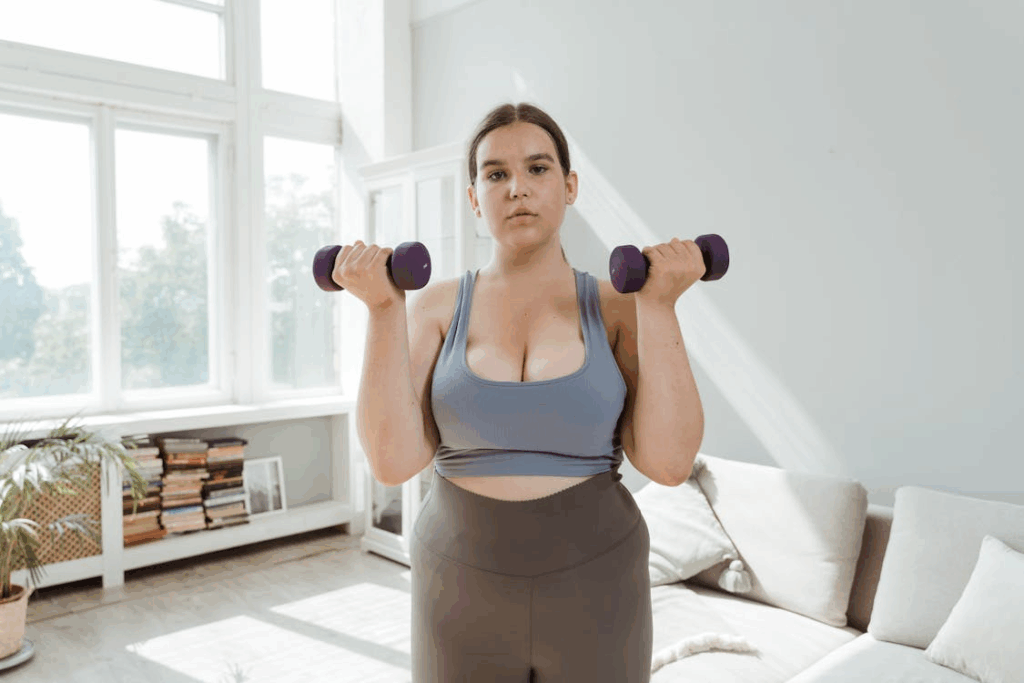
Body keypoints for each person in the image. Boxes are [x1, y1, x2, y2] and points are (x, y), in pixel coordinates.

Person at [409, 102, 653, 682]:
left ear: (569, 187)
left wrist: (661, 304)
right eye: (495, 174)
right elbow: (392, 459)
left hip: (599, 578)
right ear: (475, 197)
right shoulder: (436, 307)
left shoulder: (619, 307)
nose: (517, 188)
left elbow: (668, 462)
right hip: (457, 580)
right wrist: (377, 309)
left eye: (538, 169)